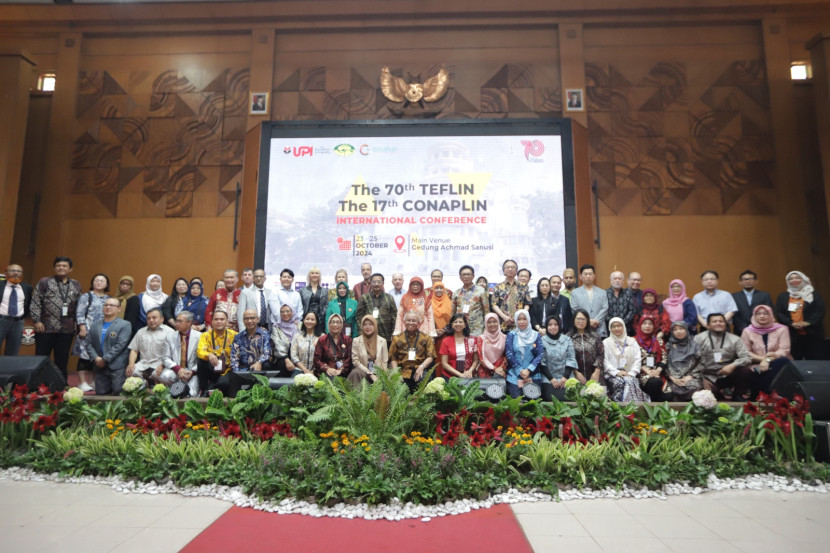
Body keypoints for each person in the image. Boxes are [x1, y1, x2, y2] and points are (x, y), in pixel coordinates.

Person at [31, 256, 82, 380]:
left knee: (62, 358)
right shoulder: (45, 282)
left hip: (67, 329)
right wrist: (36, 321)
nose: (61, 268)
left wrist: (78, 325)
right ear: (54, 268)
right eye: (58, 265)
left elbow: (79, 305)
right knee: (41, 357)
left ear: (70, 269)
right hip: (45, 327)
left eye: (64, 266)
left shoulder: (76, 284)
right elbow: (35, 301)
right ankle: (38, 383)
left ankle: (61, 383)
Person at [694, 313, 753, 400]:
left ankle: (738, 394)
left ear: (726, 324)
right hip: (707, 376)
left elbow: (747, 357)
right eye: (714, 321)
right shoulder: (699, 339)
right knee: (709, 398)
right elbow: (692, 361)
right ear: (708, 325)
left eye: (721, 321)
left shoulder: (735, 339)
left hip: (727, 375)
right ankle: (718, 393)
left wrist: (732, 365)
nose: (718, 323)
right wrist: (701, 379)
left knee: (745, 370)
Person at [741, 305, 791, 399]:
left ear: (771, 315)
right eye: (758, 314)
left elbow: (784, 350)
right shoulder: (747, 331)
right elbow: (745, 352)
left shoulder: (782, 329)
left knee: (782, 361)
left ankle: (760, 395)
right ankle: (766, 395)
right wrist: (763, 359)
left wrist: (768, 360)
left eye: (765, 313)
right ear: (754, 316)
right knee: (753, 370)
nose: (762, 316)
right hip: (756, 363)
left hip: (777, 362)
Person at [84, 298, 132, 395]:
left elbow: (120, 345)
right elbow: (88, 344)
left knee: (119, 390)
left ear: (119, 309)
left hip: (116, 364)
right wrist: (96, 358)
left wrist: (104, 359)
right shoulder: (95, 325)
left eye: (112, 305)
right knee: (101, 393)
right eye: (106, 305)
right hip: (99, 365)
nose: (108, 307)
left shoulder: (125, 324)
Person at [72, 273, 111, 392]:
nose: (99, 282)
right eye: (96, 280)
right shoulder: (87, 296)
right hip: (87, 330)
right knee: (84, 357)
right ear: (92, 283)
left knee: (96, 357)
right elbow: (79, 312)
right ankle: (82, 382)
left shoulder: (107, 298)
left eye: (102, 281)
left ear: (106, 284)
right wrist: (82, 328)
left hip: (101, 332)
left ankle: (93, 381)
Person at [774, 271, 826, 361]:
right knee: (796, 360)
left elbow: (820, 311)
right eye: (791, 278)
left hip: (812, 334)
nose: (794, 280)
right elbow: (779, 312)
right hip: (792, 335)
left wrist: (807, 322)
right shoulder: (783, 296)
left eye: (797, 277)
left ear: (803, 279)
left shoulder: (813, 294)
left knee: (814, 360)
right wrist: (791, 323)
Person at [126, 307, 179, 387]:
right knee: (131, 373)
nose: (151, 320)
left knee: (165, 377)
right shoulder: (141, 332)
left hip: (160, 365)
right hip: (143, 364)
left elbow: (173, 353)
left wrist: (163, 365)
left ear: (162, 319)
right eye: (148, 318)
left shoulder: (170, 332)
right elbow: (134, 350)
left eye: (154, 318)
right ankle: (145, 386)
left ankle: (160, 389)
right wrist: (131, 364)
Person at [603, 317, 649, 402]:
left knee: (630, 380)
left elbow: (637, 359)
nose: (616, 328)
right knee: (621, 382)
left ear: (623, 326)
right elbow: (605, 361)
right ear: (610, 328)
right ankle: (620, 409)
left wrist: (632, 373)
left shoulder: (632, 341)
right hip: (612, 375)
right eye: (613, 326)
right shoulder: (606, 342)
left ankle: (632, 409)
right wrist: (617, 372)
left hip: (630, 374)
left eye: (619, 326)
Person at [389, 311, 436, 391]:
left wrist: (422, 367)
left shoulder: (426, 338)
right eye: (408, 320)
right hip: (403, 370)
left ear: (419, 323)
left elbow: (431, 356)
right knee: (397, 384)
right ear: (404, 322)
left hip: (419, 369)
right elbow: (393, 358)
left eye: (414, 320)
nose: (411, 323)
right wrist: (396, 372)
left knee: (425, 379)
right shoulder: (397, 338)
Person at [504, 309, 543, 398]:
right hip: (515, 374)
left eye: (524, 319)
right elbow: (509, 353)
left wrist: (528, 370)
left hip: (533, 374)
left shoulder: (536, 335)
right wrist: (520, 371)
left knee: (533, 403)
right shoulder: (511, 335)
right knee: (516, 403)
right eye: (519, 319)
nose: (522, 322)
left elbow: (540, 354)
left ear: (528, 320)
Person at [196, 309, 237, 395]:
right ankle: (203, 389)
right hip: (212, 367)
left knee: (223, 384)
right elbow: (200, 351)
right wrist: (209, 355)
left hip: (227, 369)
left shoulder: (234, 335)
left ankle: (215, 387)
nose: (219, 322)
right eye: (216, 319)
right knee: (201, 361)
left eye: (222, 319)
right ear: (212, 321)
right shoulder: (206, 335)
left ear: (227, 321)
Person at [539, 315, 578, 401]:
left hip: (567, 377)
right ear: (546, 326)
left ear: (559, 326)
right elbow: (542, 362)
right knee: (551, 398)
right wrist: (551, 379)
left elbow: (571, 359)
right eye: (550, 325)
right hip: (548, 378)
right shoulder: (541, 341)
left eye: (555, 324)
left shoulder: (567, 340)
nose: (553, 327)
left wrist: (565, 378)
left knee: (570, 398)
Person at [664, 321, 703, 401]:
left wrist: (690, 376)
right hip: (672, 378)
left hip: (690, 377)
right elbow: (663, 363)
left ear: (686, 330)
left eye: (681, 328)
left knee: (694, 387)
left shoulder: (695, 346)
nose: (678, 331)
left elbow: (701, 363)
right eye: (675, 330)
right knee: (669, 391)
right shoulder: (668, 347)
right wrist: (673, 378)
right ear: (672, 332)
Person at [568, 264, 610, 337]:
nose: (588, 276)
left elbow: (605, 308)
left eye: (590, 274)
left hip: (599, 329)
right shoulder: (575, 292)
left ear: (594, 276)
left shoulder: (602, 292)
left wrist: (596, 321)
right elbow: (575, 309)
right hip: (582, 329)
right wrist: (588, 321)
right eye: (585, 274)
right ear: (581, 276)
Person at [634, 316, 669, 401]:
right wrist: (647, 371)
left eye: (650, 324)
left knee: (669, 395)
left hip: (657, 372)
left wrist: (658, 370)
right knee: (655, 383)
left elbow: (664, 358)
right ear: (639, 325)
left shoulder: (658, 340)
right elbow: (632, 360)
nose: (647, 326)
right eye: (644, 323)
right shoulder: (633, 341)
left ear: (654, 326)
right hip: (640, 373)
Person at [0, 264, 32, 356]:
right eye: (12, 270)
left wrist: (23, 317)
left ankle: (8, 370)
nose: (16, 273)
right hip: (1, 320)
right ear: (6, 273)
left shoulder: (27, 287)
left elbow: (28, 304)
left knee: (13, 352)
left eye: (19, 271)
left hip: (18, 323)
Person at [356, 273, 397, 344]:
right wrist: (361, 332)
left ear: (383, 283)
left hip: (386, 336)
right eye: (374, 282)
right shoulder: (364, 298)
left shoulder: (389, 298)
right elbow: (359, 316)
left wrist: (394, 333)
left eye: (379, 282)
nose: (376, 284)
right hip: (368, 335)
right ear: (370, 283)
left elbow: (394, 317)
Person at [493, 259, 532, 333]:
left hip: (520, 324)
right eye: (507, 267)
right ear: (504, 271)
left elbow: (528, 303)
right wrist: (504, 317)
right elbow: (494, 305)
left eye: (512, 267)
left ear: (516, 271)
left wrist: (521, 316)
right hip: (503, 324)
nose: (510, 269)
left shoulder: (524, 286)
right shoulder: (498, 287)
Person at [731, 270, 774, 336]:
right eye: (745, 279)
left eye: (750, 279)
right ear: (740, 282)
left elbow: (769, 312)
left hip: (761, 330)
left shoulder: (765, 295)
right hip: (740, 331)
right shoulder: (734, 296)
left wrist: (758, 327)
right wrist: (743, 328)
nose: (747, 281)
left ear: (756, 281)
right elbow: (734, 314)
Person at [438, 313, 479, 379]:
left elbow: (476, 360)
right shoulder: (446, 341)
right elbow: (444, 364)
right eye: (455, 322)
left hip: (468, 375)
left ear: (465, 325)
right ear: (451, 324)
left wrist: (470, 371)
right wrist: (460, 374)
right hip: (449, 376)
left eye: (460, 322)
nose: (458, 324)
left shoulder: (472, 340)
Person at [568, 308, 604, 384]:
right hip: (575, 376)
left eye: (583, 319)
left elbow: (600, 355)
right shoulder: (568, 337)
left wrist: (597, 372)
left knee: (600, 394)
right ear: (574, 320)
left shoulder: (595, 336)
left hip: (595, 374)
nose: (580, 321)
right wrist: (575, 372)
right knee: (580, 395)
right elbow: (566, 357)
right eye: (578, 319)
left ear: (587, 321)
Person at [350, 314, 389, 384]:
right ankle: (357, 395)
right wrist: (370, 374)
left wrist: (381, 375)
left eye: (371, 324)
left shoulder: (382, 341)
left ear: (375, 326)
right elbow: (355, 362)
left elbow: (384, 362)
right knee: (355, 372)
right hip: (363, 373)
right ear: (362, 326)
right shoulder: (356, 341)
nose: (368, 327)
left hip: (378, 373)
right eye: (365, 324)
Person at [452, 265, 490, 336]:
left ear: (473, 276)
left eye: (468, 274)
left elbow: (486, 311)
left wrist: (486, 328)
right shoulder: (456, 293)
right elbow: (452, 313)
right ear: (460, 277)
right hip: (460, 328)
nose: (466, 276)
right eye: (464, 274)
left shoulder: (481, 291)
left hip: (477, 328)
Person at [171, 310, 202, 397]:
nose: (177, 323)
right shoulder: (170, 336)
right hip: (176, 370)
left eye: (180, 321)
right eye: (176, 321)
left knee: (192, 394)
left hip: (192, 371)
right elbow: (165, 357)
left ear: (189, 323)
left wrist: (192, 371)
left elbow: (201, 359)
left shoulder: (199, 336)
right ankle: (172, 391)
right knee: (164, 376)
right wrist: (178, 369)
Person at [231, 309, 273, 373]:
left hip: (260, 368)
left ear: (258, 319)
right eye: (246, 318)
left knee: (267, 364)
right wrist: (237, 373)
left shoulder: (265, 334)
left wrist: (259, 362)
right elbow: (234, 357)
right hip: (243, 370)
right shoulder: (238, 337)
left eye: (252, 318)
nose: (249, 321)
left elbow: (267, 352)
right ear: (243, 320)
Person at [313, 313, 353, 378]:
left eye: (338, 322)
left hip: (343, 372)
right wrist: (327, 369)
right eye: (332, 322)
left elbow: (349, 358)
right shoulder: (322, 340)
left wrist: (341, 369)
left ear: (342, 325)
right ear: (329, 324)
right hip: (327, 372)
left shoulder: (347, 340)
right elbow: (316, 360)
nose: (335, 325)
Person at [298, 267, 328, 335]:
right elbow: (300, 306)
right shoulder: (302, 290)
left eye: (317, 273)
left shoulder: (325, 291)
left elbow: (326, 306)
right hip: (306, 320)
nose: (314, 275)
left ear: (319, 276)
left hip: (320, 320)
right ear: (309, 276)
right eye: (312, 273)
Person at [476, 313, 507, 378]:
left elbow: (505, 356)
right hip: (485, 370)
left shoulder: (504, 337)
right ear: (485, 324)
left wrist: (501, 368)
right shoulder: (481, 338)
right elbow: (481, 358)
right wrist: (494, 368)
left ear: (498, 322)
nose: (492, 324)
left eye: (494, 321)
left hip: (501, 369)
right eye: (489, 322)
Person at [270, 304, 298, 375]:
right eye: (282, 312)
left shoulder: (299, 325)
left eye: (287, 311)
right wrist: (286, 358)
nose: (285, 313)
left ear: (293, 312)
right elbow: (277, 344)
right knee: (282, 364)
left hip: (297, 355)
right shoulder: (276, 326)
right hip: (281, 356)